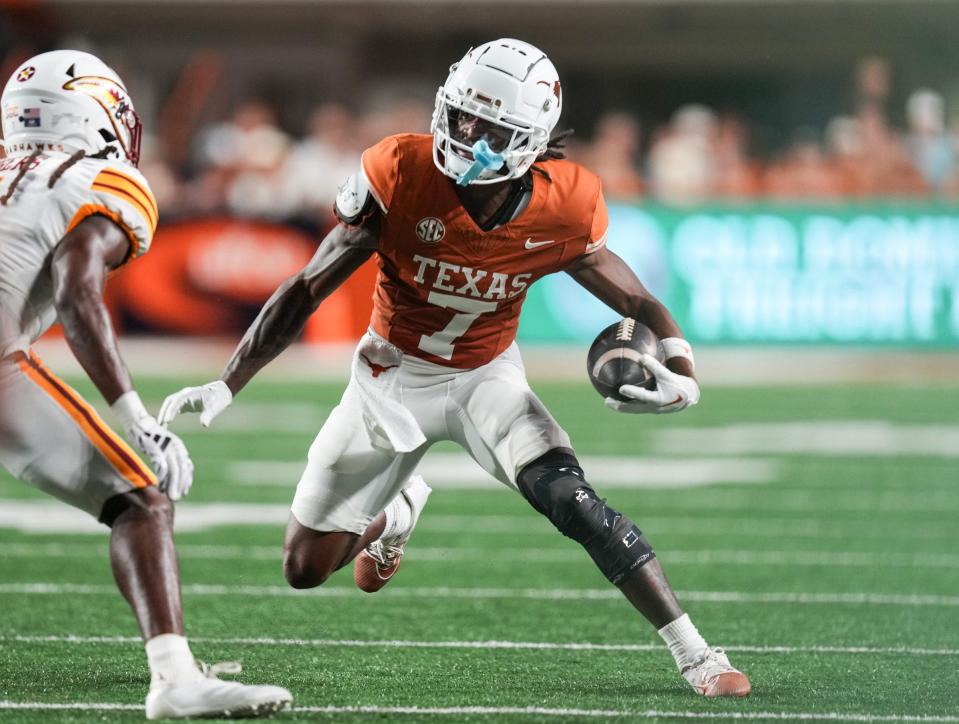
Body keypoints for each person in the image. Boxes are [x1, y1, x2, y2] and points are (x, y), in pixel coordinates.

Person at [160, 38, 751, 698]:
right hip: (387, 378)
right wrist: (228, 380)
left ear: (529, 139)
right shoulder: (400, 170)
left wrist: (679, 365)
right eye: (461, 114)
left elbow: (636, 299)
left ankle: (696, 652)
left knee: (573, 502)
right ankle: (395, 513)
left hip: (484, 377)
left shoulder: (564, 203)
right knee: (303, 568)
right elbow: (307, 287)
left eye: (489, 125)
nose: (466, 133)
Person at [0, 50, 292, 719]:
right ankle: (173, 679)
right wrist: (135, 413)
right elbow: (78, 296)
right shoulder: (98, 176)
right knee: (142, 499)